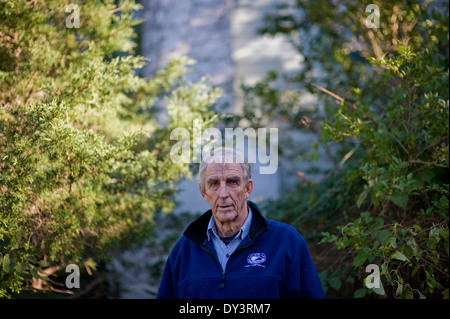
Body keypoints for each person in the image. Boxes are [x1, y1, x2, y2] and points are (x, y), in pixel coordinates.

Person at [157, 147, 325, 299]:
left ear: (248, 188)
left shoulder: (287, 242)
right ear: (203, 192)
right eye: (214, 183)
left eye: (232, 182)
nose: (223, 193)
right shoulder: (184, 250)